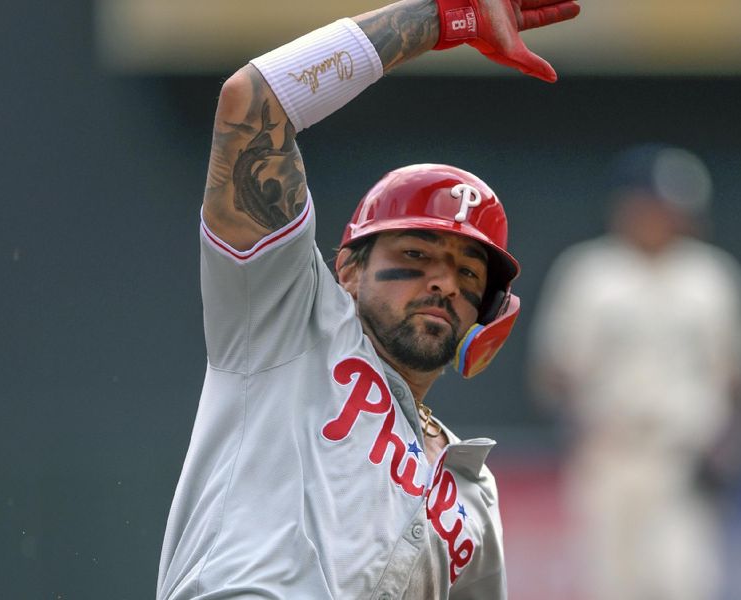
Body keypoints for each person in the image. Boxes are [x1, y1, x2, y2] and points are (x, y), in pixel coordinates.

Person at [156, 0, 580, 598]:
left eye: (467, 273)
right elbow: (253, 100)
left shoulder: (471, 491)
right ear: (348, 269)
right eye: (415, 257)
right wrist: (444, 15)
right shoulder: (288, 322)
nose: (444, 283)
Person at [528, 144, 741, 600]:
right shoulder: (589, 272)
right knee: (611, 585)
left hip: (684, 459)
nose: (662, 217)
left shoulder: (711, 275)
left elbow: (737, 373)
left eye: (673, 208)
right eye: (652, 205)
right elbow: (552, 370)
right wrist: (574, 421)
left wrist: (731, 436)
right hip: (609, 455)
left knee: (685, 583)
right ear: (626, 205)